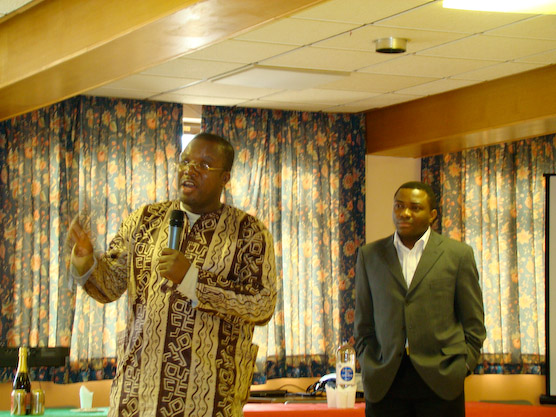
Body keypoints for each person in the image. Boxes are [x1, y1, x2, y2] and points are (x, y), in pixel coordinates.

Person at [68, 132, 277, 417]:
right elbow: (109, 286)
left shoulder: (249, 232)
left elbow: (262, 305)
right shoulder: (144, 220)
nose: (190, 170)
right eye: (185, 161)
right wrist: (85, 260)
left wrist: (191, 279)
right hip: (136, 397)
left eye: (204, 165)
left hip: (208, 400)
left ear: (225, 178)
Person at [354, 181, 486, 417]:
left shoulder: (458, 255)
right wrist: (368, 363)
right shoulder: (370, 255)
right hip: (385, 382)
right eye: (399, 206)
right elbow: (363, 323)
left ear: (432, 215)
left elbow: (474, 323)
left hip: (442, 381)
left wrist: (463, 367)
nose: (404, 213)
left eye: (415, 208)